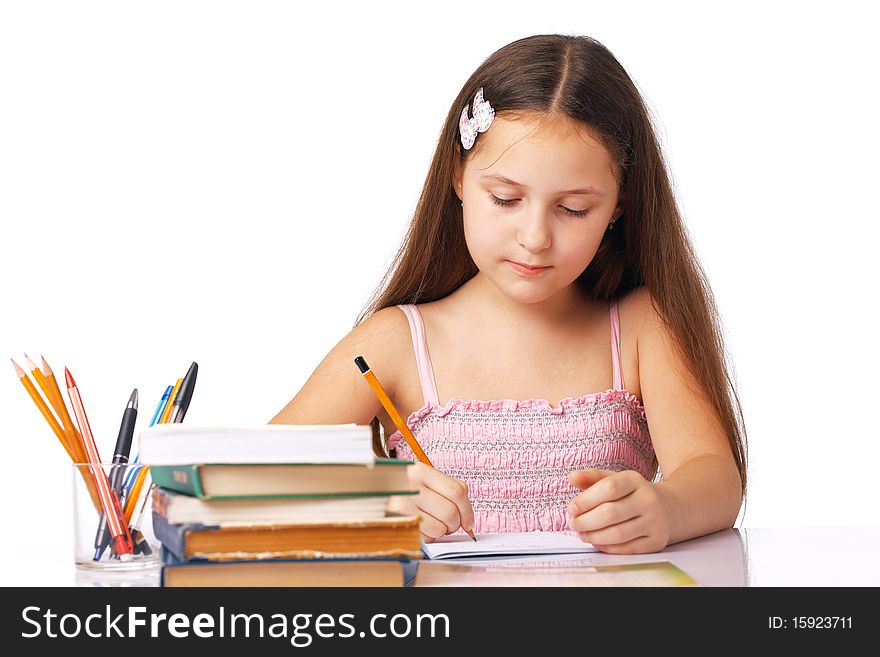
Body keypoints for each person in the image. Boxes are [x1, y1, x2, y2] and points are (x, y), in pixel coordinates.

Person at [271, 34, 747, 555]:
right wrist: (370, 499)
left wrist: (666, 508)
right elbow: (241, 478)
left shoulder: (639, 327)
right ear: (457, 176)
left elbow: (715, 476)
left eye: (573, 209)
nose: (535, 237)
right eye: (505, 199)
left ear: (619, 206)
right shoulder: (396, 342)